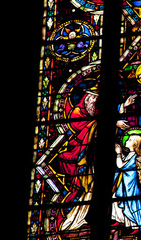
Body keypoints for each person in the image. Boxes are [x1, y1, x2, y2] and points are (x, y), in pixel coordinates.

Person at [57, 84, 99, 231]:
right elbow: (78, 127)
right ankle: (75, 216)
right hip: (79, 151)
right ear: (86, 98)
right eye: (93, 97)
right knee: (81, 184)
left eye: (96, 98)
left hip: (92, 153)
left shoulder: (94, 112)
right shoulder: (77, 112)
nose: (95, 100)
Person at [111, 128, 141, 240]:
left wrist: (118, 153)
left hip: (132, 186)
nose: (126, 141)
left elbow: (121, 166)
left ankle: (139, 226)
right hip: (125, 185)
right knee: (120, 201)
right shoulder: (130, 155)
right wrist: (120, 155)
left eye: (130, 140)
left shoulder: (136, 156)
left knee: (134, 206)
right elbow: (123, 163)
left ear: (135, 144)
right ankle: (124, 222)